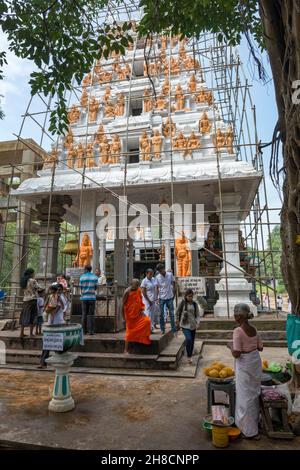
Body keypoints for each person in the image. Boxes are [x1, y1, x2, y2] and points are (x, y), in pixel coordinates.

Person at [227, 303, 263, 440]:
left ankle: (248, 430)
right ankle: (251, 424)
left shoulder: (238, 331)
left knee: (244, 397)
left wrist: (230, 346)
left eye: (234, 314)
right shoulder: (254, 329)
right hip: (255, 362)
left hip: (245, 364)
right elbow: (260, 348)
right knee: (253, 394)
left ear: (239, 316)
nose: (233, 317)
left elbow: (236, 353)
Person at [122, 279, 151, 354]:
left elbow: (139, 301)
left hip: (138, 313)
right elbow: (123, 305)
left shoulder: (138, 290)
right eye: (136, 285)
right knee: (129, 333)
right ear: (131, 284)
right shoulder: (127, 292)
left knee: (147, 321)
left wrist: (142, 310)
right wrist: (123, 318)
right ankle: (125, 350)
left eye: (138, 285)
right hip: (129, 315)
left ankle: (141, 339)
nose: (138, 286)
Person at [176, 289, 201, 364]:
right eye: (189, 296)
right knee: (188, 339)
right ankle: (188, 355)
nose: (190, 298)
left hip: (193, 325)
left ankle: (189, 356)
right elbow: (177, 312)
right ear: (186, 296)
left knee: (192, 341)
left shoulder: (194, 304)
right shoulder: (182, 303)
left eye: (191, 296)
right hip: (184, 325)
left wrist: (198, 322)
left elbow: (197, 315)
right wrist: (177, 320)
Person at [155, 263, 176, 334]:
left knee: (172, 314)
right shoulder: (157, 277)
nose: (161, 272)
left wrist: (174, 294)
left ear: (163, 268)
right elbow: (157, 288)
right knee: (161, 314)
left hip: (170, 296)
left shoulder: (170, 275)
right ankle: (162, 329)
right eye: (159, 271)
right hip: (161, 297)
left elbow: (174, 284)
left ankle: (173, 329)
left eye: (161, 270)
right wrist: (157, 298)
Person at [19, 268, 40, 338]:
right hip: (32, 299)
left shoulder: (23, 281)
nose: (34, 274)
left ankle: (21, 333)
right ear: (31, 273)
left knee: (24, 315)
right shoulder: (32, 280)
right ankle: (31, 333)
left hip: (25, 300)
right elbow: (39, 288)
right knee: (33, 316)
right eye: (33, 273)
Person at [79, 265, 98, 335]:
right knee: (91, 315)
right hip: (92, 298)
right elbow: (95, 287)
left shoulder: (82, 277)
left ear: (86, 269)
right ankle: (91, 331)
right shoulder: (95, 277)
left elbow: (80, 288)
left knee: (84, 314)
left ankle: (84, 331)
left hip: (84, 298)